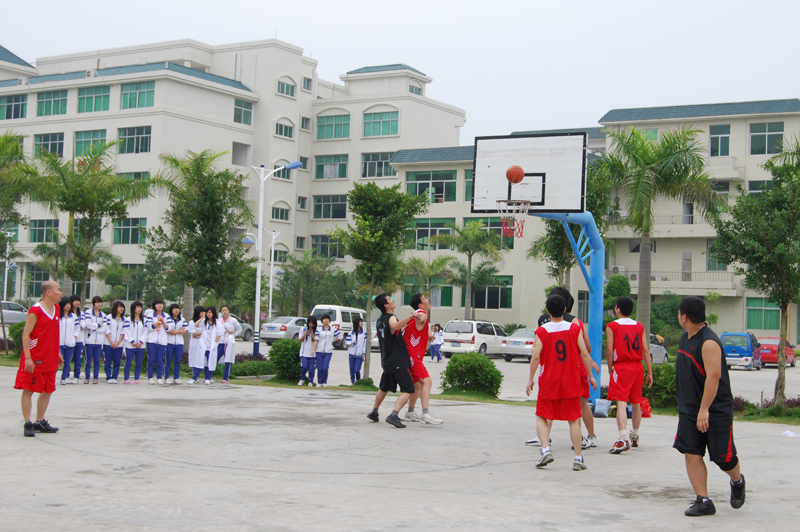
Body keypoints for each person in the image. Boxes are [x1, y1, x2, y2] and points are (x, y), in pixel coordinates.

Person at [675, 296, 745, 517]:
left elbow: (713, 377)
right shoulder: (685, 337)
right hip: (689, 410)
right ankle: (703, 500)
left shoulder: (709, 342)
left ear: (684, 317)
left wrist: (704, 409)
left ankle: (737, 480)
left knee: (723, 458)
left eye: (679, 312)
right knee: (691, 452)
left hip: (714, 410)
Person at [526, 294, 597, 471]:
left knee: (542, 415)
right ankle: (578, 458)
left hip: (549, 380)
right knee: (573, 419)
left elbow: (536, 355)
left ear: (547, 311)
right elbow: (584, 353)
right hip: (570, 381)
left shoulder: (542, 331)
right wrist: (590, 375)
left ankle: (545, 449)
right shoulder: (574, 329)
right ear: (565, 310)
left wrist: (531, 378)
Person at [15, 280, 63, 437]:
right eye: (58, 289)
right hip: (35, 359)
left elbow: (53, 333)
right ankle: (28, 423)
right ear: (49, 292)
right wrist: (28, 358)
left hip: (50, 358)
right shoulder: (35, 311)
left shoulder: (56, 309)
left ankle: (39, 421)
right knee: (29, 390)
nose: (61, 292)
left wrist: (57, 352)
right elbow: (26, 334)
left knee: (48, 390)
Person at [606, 296, 653, 454]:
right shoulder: (639, 326)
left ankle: (623, 437)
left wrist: (610, 368)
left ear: (617, 309)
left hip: (622, 366)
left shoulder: (612, 326)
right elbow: (645, 350)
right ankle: (635, 435)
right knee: (636, 402)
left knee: (621, 401)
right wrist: (650, 372)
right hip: (637, 366)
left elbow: (610, 350)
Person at [367, 294, 417, 428]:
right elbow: (394, 326)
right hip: (397, 360)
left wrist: (403, 328)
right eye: (389, 299)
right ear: (386, 305)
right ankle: (394, 415)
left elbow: (393, 332)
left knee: (384, 388)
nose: (392, 300)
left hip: (387, 360)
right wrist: (410, 318)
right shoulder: (391, 317)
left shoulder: (380, 320)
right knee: (408, 389)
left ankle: (374, 412)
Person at [403, 294, 443, 425]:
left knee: (417, 385)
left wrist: (427, 335)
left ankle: (410, 412)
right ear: (420, 305)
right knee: (427, 382)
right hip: (413, 356)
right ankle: (425, 414)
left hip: (409, 355)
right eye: (425, 298)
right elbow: (422, 317)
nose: (428, 299)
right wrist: (420, 316)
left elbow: (415, 330)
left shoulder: (414, 319)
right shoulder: (421, 313)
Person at [103, 301, 129, 384]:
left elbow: (123, 331)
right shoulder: (109, 317)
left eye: (122, 307)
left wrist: (118, 342)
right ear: (115, 308)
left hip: (119, 344)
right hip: (108, 343)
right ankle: (108, 376)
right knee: (108, 360)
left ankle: (114, 376)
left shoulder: (124, 319)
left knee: (117, 361)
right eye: (119, 307)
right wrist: (111, 341)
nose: (121, 309)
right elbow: (106, 329)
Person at [82, 296, 106, 385]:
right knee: (88, 360)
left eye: (100, 302)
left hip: (99, 341)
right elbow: (87, 325)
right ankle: (87, 377)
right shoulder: (88, 313)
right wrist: (98, 325)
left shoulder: (103, 315)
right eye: (97, 302)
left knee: (97, 361)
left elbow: (104, 328)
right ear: (93, 303)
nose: (99, 304)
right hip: (89, 341)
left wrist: (94, 328)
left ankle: (95, 377)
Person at [145, 299, 169, 385]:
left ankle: (159, 377)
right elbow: (148, 327)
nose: (160, 305)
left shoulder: (166, 316)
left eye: (161, 304)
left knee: (160, 360)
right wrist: (157, 322)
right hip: (152, 341)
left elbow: (168, 328)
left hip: (162, 342)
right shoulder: (150, 315)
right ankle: (150, 377)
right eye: (158, 304)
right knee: (151, 359)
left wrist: (163, 322)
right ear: (154, 306)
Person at [124, 301, 147, 384]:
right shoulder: (128, 320)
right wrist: (132, 341)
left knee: (139, 362)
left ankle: (136, 378)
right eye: (137, 307)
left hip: (141, 346)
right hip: (130, 345)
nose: (139, 309)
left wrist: (141, 341)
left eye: (140, 307)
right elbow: (126, 331)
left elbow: (146, 332)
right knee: (128, 362)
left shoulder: (144, 320)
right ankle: (126, 378)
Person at [315, 313, 341, 387]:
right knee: (320, 368)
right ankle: (319, 382)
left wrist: (332, 340)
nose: (326, 320)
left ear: (329, 320)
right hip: (319, 351)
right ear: (322, 321)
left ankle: (324, 382)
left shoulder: (333, 330)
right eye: (324, 319)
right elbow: (316, 339)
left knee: (325, 368)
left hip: (328, 351)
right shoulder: (319, 330)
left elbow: (340, 336)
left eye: (327, 319)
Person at [217, 305, 241, 384]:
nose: (224, 312)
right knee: (215, 357)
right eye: (223, 310)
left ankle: (226, 378)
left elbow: (239, 329)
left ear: (228, 311)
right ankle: (209, 376)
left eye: (226, 310)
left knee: (228, 360)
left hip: (229, 342)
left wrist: (232, 335)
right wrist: (225, 329)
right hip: (221, 342)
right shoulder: (219, 320)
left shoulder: (233, 320)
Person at [198, 307, 221, 385]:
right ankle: (205, 377)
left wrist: (215, 344)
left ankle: (208, 377)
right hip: (204, 345)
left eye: (210, 312)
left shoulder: (217, 323)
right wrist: (202, 318)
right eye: (207, 312)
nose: (208, 314)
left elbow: (219, 334)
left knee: (211, 362)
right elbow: (196, 325)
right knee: (205, 362)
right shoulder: (204, 322)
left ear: (213, 313)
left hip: (212, 346)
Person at [165, 303, 188, 385]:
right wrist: (179, 330)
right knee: (167, 361)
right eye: (174, 309)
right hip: (170, 343)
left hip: (179, 343)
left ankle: (176, 377)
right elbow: (167, 330)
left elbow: (186, 330)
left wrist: (176, 331)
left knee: (177, 361)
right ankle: (166, 377)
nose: (176, 310)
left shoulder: (182, 319)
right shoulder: (168, 319)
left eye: (177, 308)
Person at [58, 296, 79, 385]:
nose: (68, 306)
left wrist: (74, 338)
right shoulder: (58, 316)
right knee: (56, 362)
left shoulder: (73, 316)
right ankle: (52, 378)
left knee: (67, 362)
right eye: (66, 304)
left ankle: (64, 378)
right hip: (59, 343)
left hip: (70, 344)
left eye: (69, 304)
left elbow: (77, 328)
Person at [186, 305, 206, 385]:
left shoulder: (205, 322)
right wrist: (200, 333)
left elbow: (206, 332)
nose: (203, 313)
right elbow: (193, 333)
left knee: (199, 360)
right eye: (201, 312)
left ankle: (194, 377)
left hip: (202, 342)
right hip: (194, 343)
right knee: (193, 359)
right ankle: (195, 377)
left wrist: (200, 334)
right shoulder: (191, 322)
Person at [298, 316, 318, 386]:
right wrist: (304, 334)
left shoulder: (317, 330)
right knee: (304, 367)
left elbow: (315, 340)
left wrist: (312, 333)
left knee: (311, 368)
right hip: (304, 353)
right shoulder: (303, 329)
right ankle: (302, 379)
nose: (310, 325)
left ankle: (310, 381)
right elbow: (300, 340)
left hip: (312, 353)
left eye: (312, 323)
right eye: (309, 323)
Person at [345, 316, 367, 384]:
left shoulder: (364, 332)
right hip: (352, 353)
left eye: (362, 322)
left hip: (359, 354)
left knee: (357, 370)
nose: (362, 323)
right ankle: (353, 382)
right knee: (351, 369)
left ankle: (358, 381)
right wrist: (352, 343)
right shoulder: (351, 333)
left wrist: (363, 353)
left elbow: (365, 343)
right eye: (360, 322)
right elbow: (347, 342)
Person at [68, 295, 84, 384]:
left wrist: (77, 327)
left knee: (77, 359)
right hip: (69, 339)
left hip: (79, 340)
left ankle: (76, 376)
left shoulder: (81, 314)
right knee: (68, 359)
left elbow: (83, 325)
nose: (77, 303)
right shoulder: (68, 314)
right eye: (75, 301)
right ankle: (66, 375)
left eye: (78, 301)